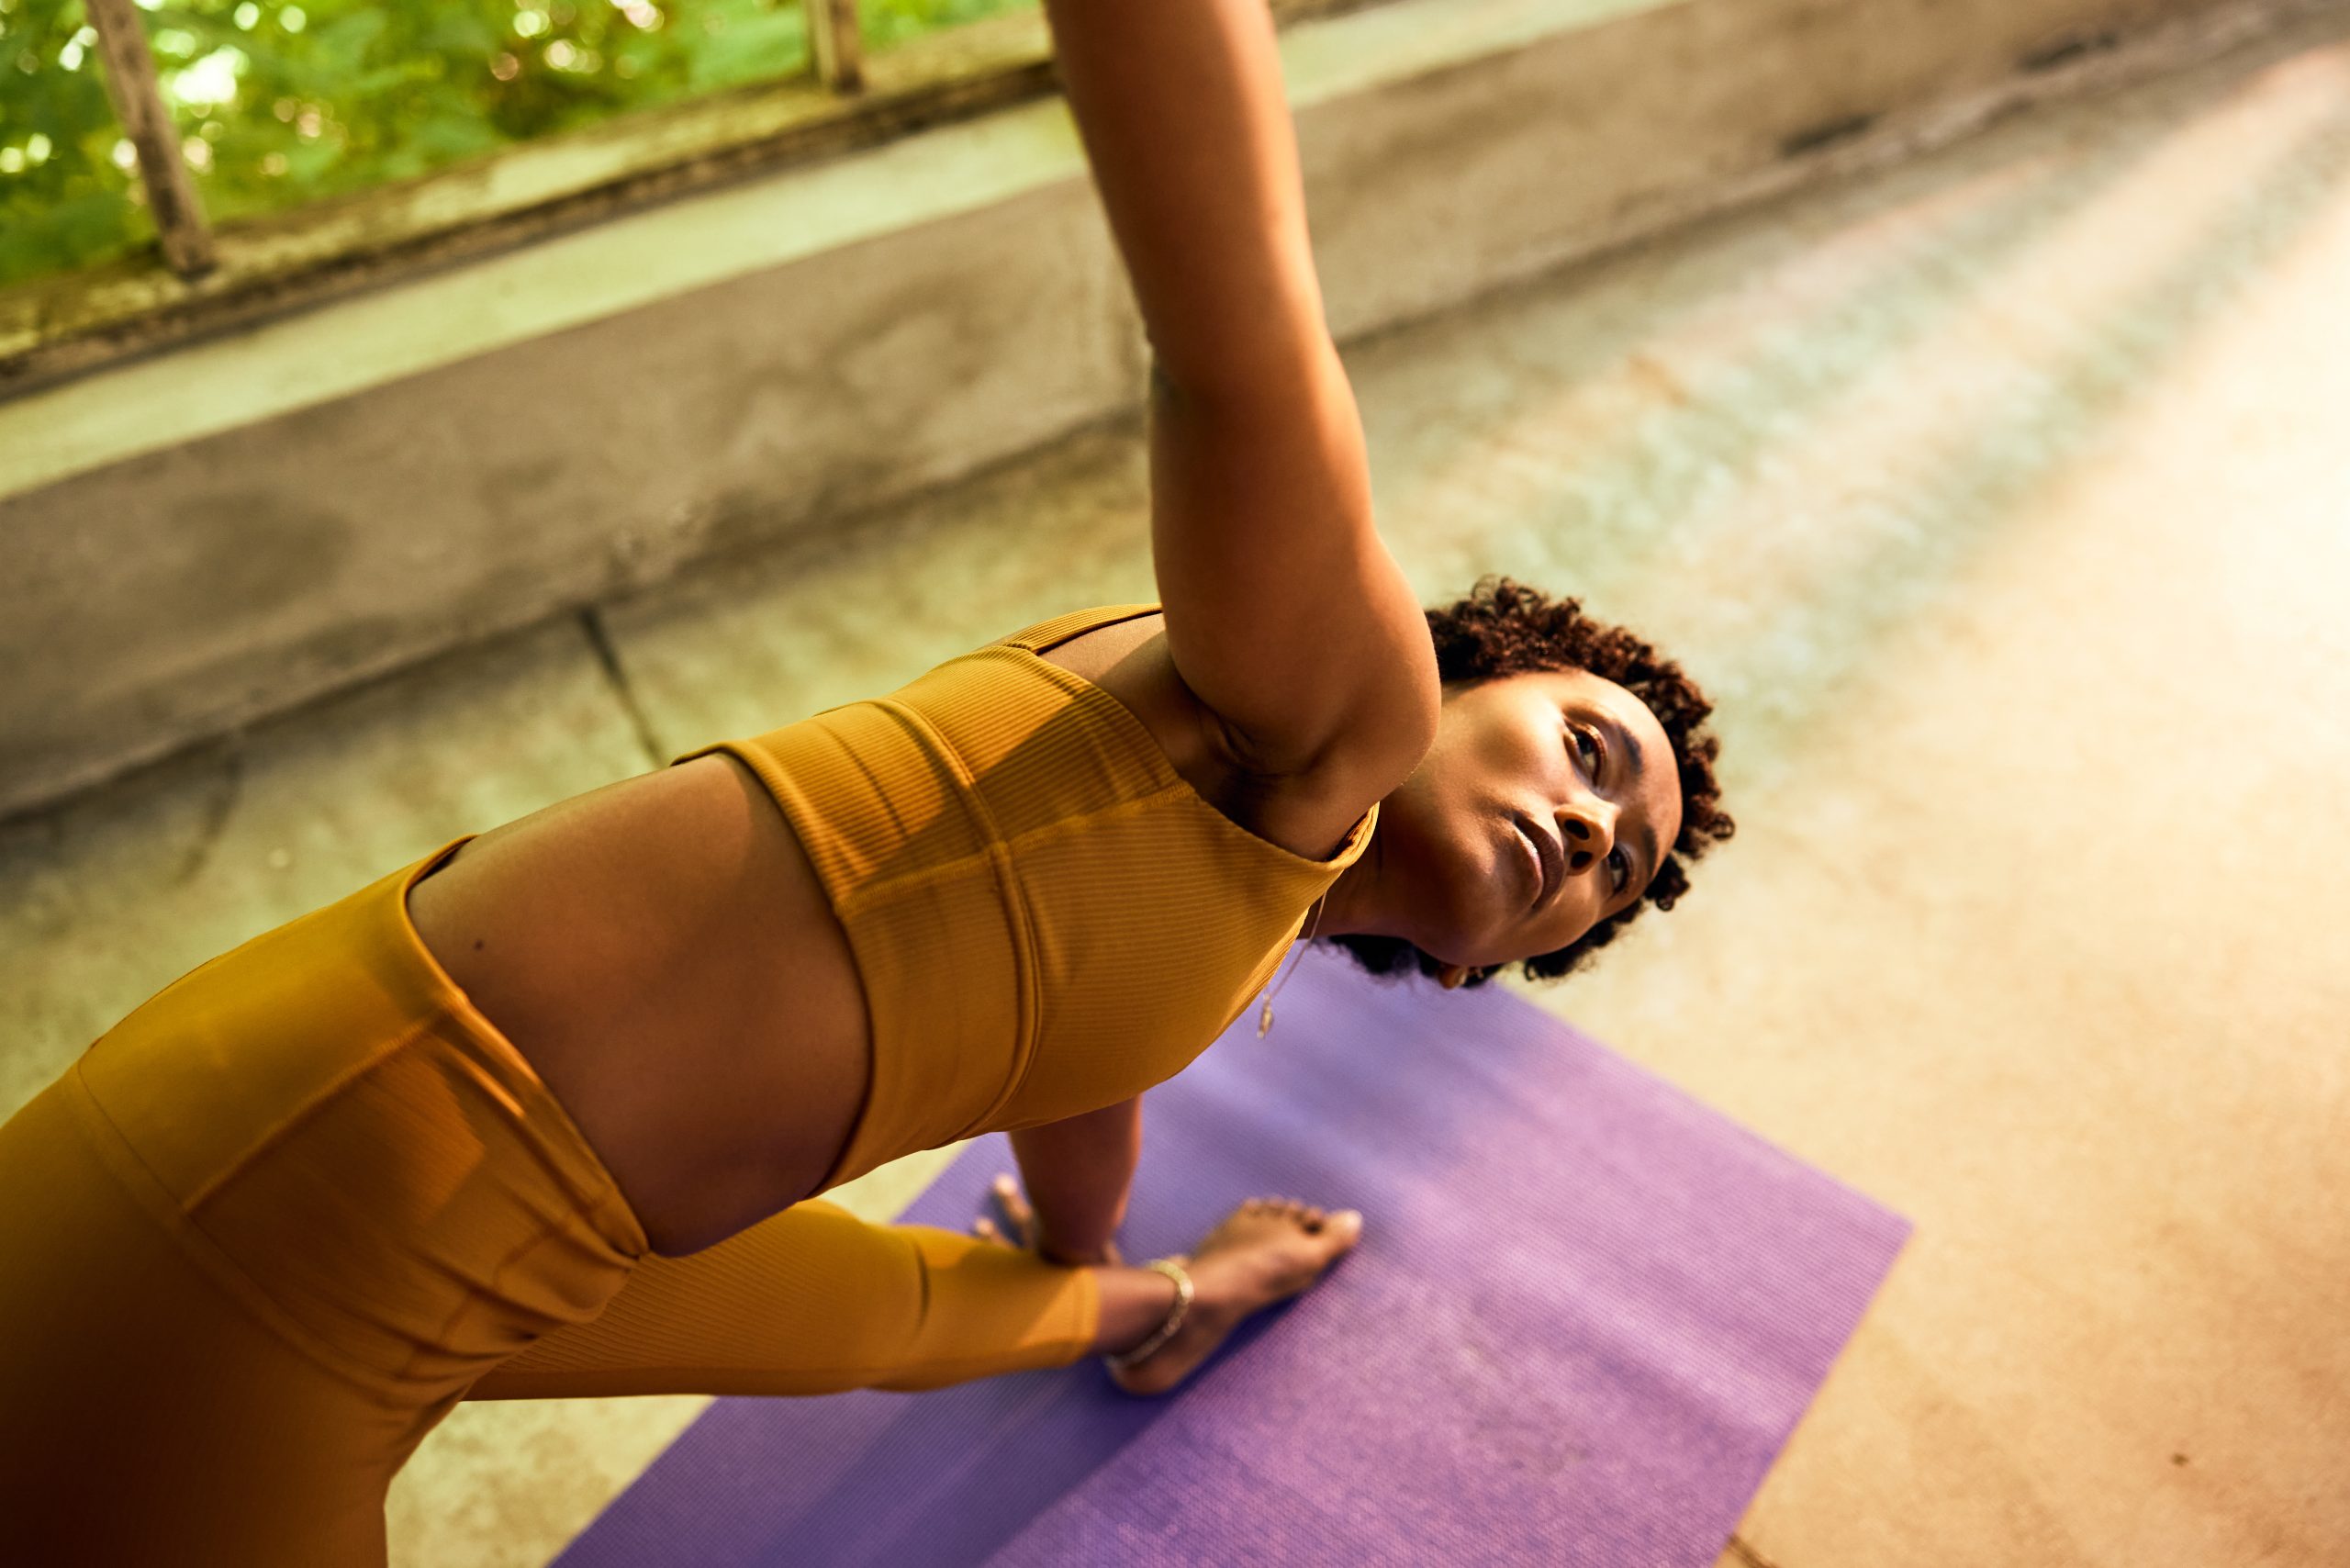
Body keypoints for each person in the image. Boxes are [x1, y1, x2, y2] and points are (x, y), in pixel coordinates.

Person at [0, 0, 1731, 1562]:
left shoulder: (1229, 874)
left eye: (1612, 870)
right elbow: (1243, 341)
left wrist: (1095, 1246)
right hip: (289, 1274)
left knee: (908, 1313)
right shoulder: (1330, 722)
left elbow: (1077, 1080)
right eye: (1591, 753)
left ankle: (1164, 1298)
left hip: (369, 1141)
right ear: (1453, 675)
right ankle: (1158, 1296)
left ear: (1481, 969)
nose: (1587, 830)